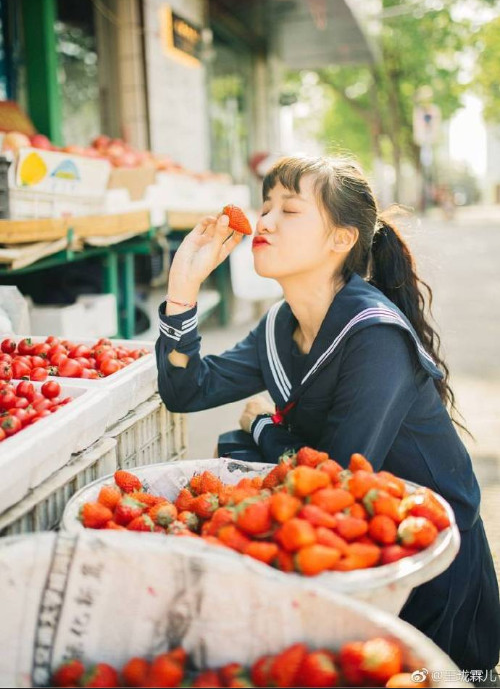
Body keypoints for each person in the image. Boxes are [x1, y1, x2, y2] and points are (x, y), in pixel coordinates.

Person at [156, 155, 500, 675]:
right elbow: (186, 389)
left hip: (426, 570)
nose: (264, 220)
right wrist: (183, 290)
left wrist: (261, 427)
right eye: (265, 204)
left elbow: (335, 476)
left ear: (341, 239)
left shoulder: (375, 335)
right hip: (344, 556)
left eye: (289, 210)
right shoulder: (278, 326)